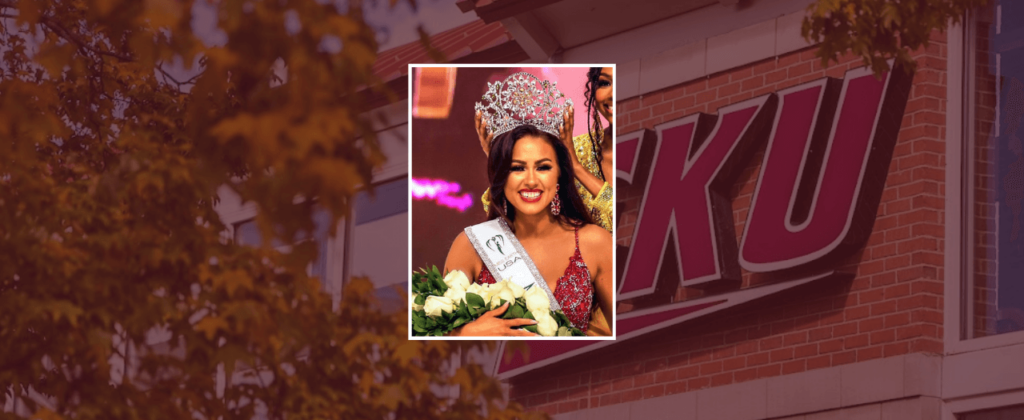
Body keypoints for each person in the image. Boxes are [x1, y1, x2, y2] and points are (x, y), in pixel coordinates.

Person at [444, 75, 614, 336]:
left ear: (560, 174)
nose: (531, 181)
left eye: (543, 167)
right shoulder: (471, 245)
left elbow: (628, 340)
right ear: (502, 176)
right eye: (517, 168)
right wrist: (467, 333)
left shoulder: (595, 242)